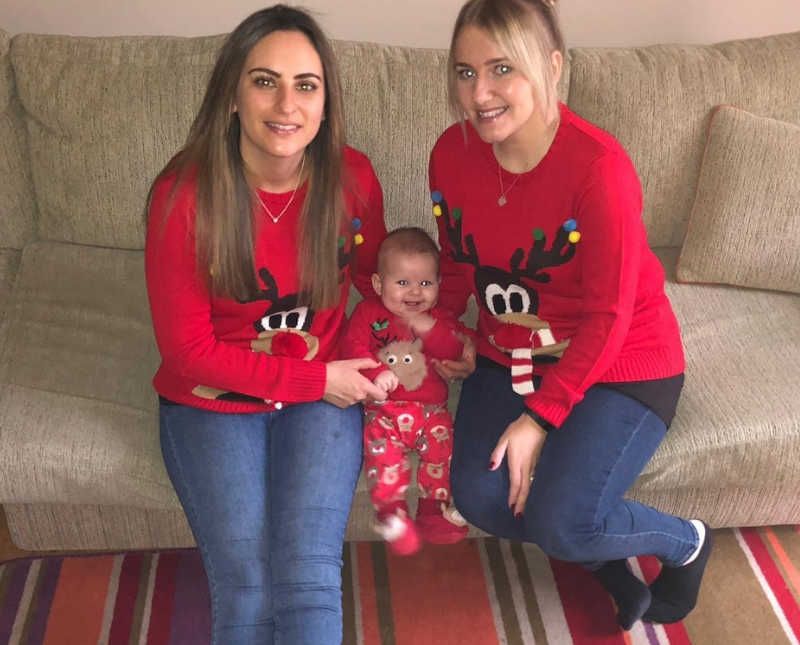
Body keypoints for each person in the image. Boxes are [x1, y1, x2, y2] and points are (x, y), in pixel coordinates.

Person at [428, 0, 712, 631]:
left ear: (551, 67)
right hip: (510, 354)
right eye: (465, 71)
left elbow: (610, 317)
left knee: (563, 518)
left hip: (622, 359)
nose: (479, 93)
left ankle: (684, 542)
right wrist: (444, 330)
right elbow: (454, 260)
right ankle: (598, 555)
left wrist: (539, 418)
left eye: (502, 68)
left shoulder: (599, 169)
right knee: (479, 496)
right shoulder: (451, 152)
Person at [144, 5, 387, 644]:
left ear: (326, 102)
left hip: (321, 397)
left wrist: (422, 335)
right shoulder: (183, 195)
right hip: (214, 400)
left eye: (305, 85)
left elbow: (374, 282)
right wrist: (316, 379)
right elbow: (189, 351)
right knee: (248, 590)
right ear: (231, 94)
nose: (286, 104)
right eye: (264, 81)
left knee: (308, 583)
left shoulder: (354, 179)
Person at [342, 227, 470, 555]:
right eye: (402, 283)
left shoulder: (440, 318)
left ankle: (432, 511)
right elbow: (351, 347)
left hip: (432, 413)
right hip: (384, 410)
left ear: (438, 285)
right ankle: (391, 514)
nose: (415, 292)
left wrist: (432, 328)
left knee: (441, 453)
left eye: (426, 283)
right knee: (382, 455)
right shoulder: (368, 314)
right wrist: (378, 370)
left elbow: (457, 351)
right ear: (377, 284)